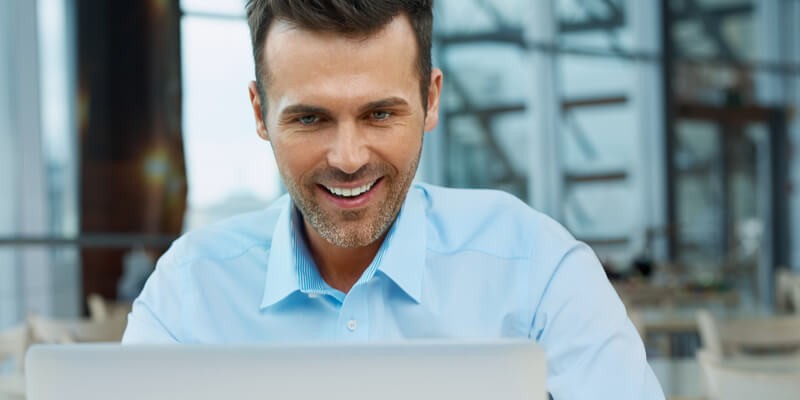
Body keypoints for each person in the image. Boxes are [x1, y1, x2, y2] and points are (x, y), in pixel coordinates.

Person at [123, 1, 664, 398]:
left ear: (431, 101)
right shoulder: (190, 291)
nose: (349, 157)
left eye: (380, 114)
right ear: (260, 114)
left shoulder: (539, 268)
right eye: (310, 118)